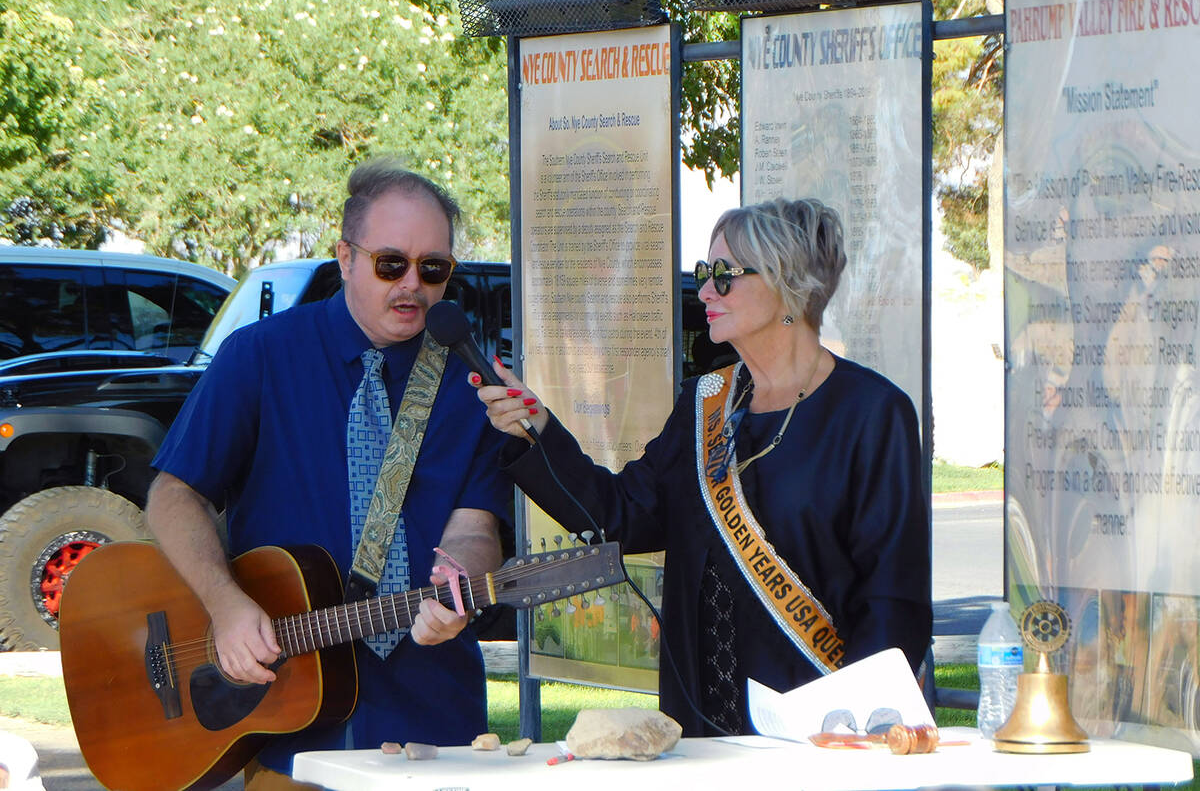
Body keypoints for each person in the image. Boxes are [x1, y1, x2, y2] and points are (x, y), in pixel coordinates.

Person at [474, 197, 931, 736]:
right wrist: (538, 431)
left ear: (788, 283)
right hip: (701, 725)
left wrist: (855, 724)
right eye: (703, 274)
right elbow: (621, 514)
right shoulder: (704, 403)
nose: (706, 291)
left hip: (819, 731)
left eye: (724, 275)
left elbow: (892, 596)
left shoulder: (871, 412)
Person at [146, 159, 510, 788]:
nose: (413, 286)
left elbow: (475, 525)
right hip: (287, 727)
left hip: (432, 725)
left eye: (434, 269)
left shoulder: (471, 381)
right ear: (345, 257)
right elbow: (173, 493)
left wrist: (459, 578)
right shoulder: (261, 356)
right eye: (391, 263)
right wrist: (225, 604)